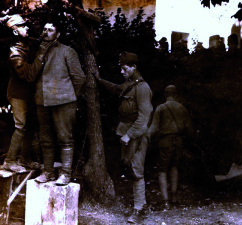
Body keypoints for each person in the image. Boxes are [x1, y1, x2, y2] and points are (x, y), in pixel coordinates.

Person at [93, 52, 153, 224]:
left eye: (124, 68)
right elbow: (116, 89)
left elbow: (144, 118)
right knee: (131, 169)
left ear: (134, 67)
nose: (121, 71)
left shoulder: (142, 88)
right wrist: (99, 80)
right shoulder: (129, 84)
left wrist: (129, 134)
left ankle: (139, 210)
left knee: (137, 171)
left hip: (137, 134)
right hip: (127, 132)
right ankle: (141, 205)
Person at [33, 20, 85, 186]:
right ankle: (48, 173)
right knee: (45, 139)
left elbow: (79, 78)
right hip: (43, 102)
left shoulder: (67, 52)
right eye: (45, 29)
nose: (46, 32)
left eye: (51, 29)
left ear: (58, 34)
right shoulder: (39, 52)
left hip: (63, 102)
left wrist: (68, 95)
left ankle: (65, 174)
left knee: (64, 138)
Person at [0, 14, 53, 173]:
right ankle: (9, 161)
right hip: (18, 94)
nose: (27, 28)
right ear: (15, 32)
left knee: (30, 125)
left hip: (29, 93)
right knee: (21, 125)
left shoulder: (27, 43)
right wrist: (42, 54)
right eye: (23, 26)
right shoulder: (15, 54)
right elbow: (29, 75)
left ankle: (24, 159)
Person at [148, 85, 193, 209]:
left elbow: (153, 128)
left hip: (165, 143)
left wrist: (145, 138)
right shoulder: (182, 108)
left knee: (162, 170)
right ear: (176, 94)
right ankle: (174, 197)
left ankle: (165, 201)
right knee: (174, 167)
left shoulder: (161, 108)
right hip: (179, 142)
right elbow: (189, 130)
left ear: (165, 95)